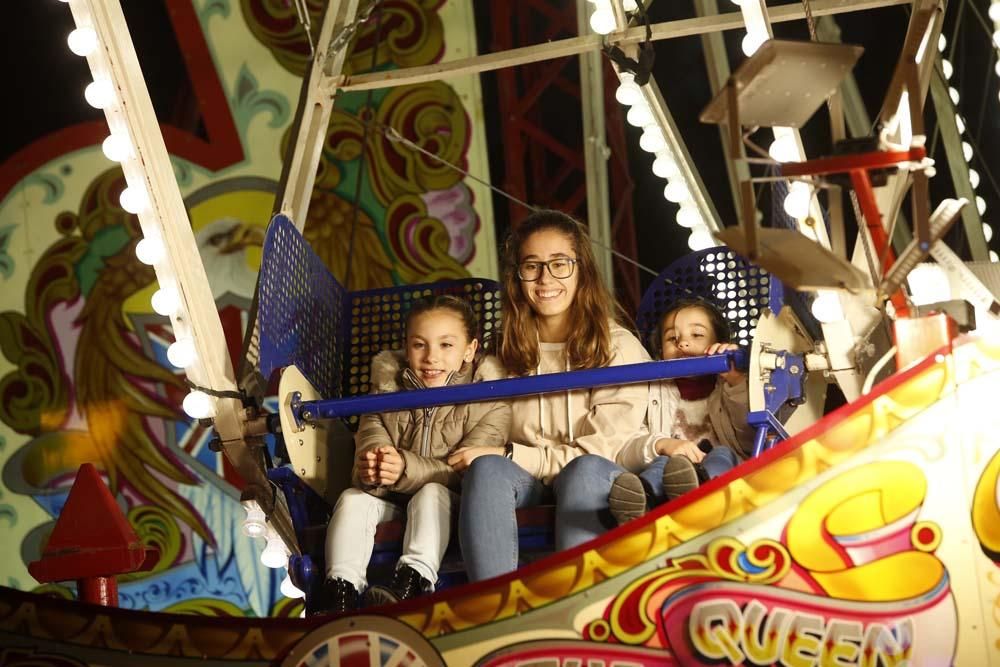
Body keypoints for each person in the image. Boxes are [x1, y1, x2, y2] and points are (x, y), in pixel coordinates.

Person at [453, 209, 650, 581]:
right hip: (526, 482)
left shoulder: (618, 347)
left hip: (597, 477)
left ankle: (577, 599)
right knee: (487, 469)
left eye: (559, 264)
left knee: (583, 471)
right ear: (518, 277)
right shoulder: (502, 353)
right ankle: (492, 606)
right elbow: (483, 433)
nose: (545, 279)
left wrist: (514, 454)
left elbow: (604, 449)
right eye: (532, 266)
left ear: (582, 271)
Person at [314, 295, 510, 613]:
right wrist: (373, 468)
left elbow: (469, 471)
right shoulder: (383, 395)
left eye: (446, 345)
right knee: (353, 499)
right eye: (420, 345)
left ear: (470, 350)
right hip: (392, 502)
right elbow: (368, 447)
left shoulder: (491, 400)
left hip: (450, 505)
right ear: (407, 348)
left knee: (432, 493)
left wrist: (404, 467)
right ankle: (340, 591)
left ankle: (412, 581)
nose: (431, 357)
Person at [608, 298, 755, 524]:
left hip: (724, 476)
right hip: (670, 477)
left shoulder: (732, 387)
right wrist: (662, 444)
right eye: (671, 338)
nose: (683, 343)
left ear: (720, 343)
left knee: (721, 455)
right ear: (659, 352)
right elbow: (628, 441)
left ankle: (703, 490)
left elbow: (750, 438)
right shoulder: (651, 389)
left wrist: (735, 380)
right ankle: (642, 501)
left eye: (696, 335)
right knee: (662, 462)